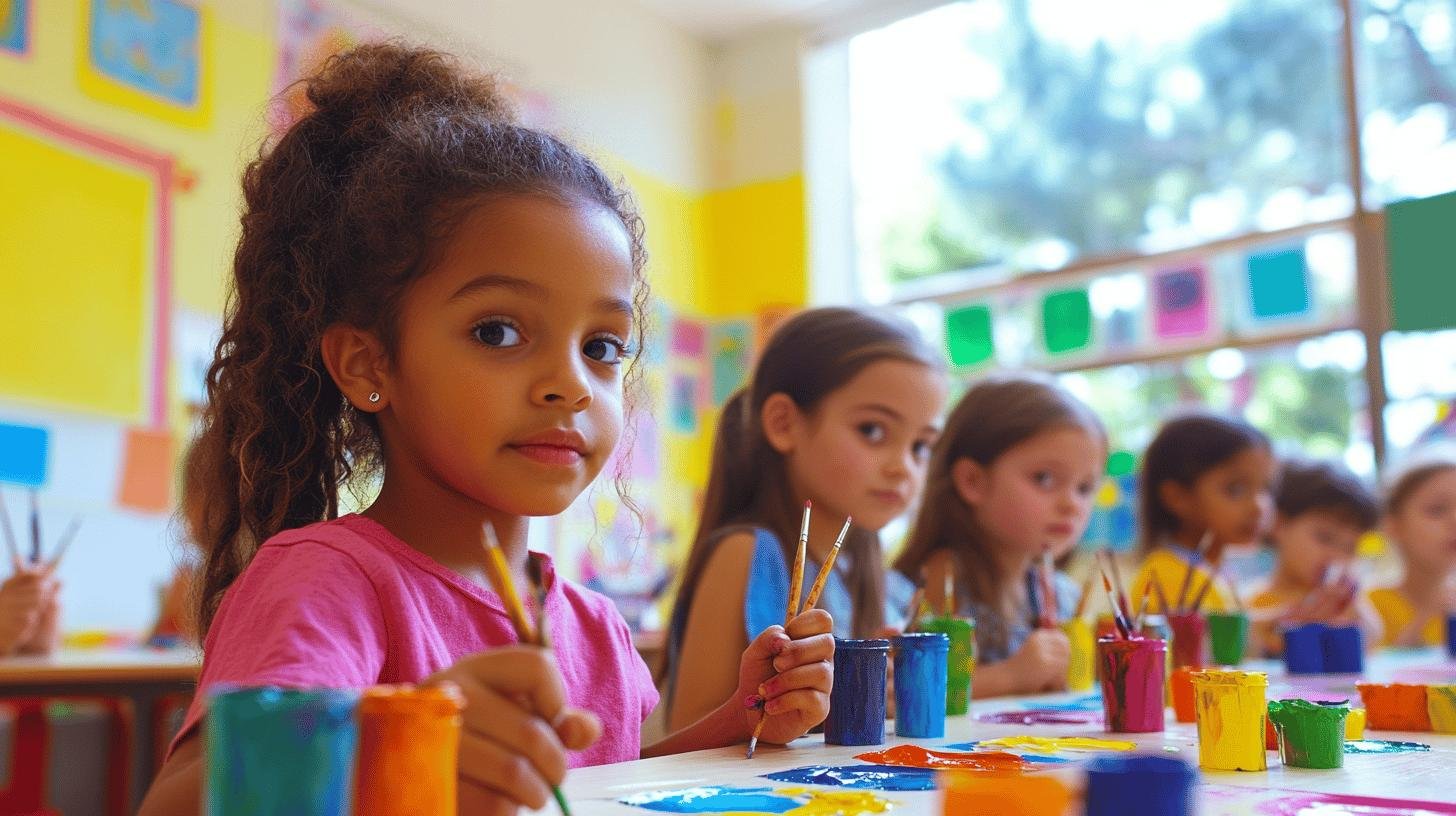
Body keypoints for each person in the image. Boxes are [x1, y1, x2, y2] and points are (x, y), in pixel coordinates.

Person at [140, 43, 832, 815]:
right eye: (499, 332)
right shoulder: (328, 582)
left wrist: (742, 723)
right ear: (369, 365)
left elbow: (585, 791)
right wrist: (401, 747)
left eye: (601, 348)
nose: (570, 383)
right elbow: (179, 804)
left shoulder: (593, 625)